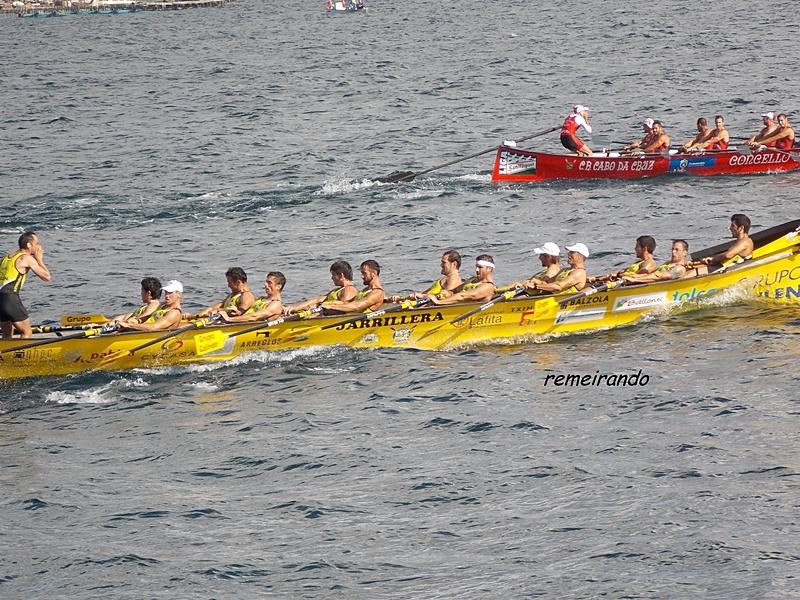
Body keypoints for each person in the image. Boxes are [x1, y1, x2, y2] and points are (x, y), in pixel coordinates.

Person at [0, 231, 52, 339]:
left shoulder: (6, 258)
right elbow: (47, 277)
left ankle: (6, 350)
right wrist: (39, 260)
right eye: (37, 243)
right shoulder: (26, 258)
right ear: (29, 245)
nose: (39, 247)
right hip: (10, 298)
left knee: (7, 334)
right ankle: (23, 351)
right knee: (26, 332)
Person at [388, 250, 463, 303]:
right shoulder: (445, 278)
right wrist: (402, 298)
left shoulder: (453, 278)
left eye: (444, 262)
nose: (441, 265)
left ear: (454, 264)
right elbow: (425, 293)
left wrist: (421, 296)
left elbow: (446, 297)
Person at [285, 260, 358, 314]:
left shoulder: (349, 290)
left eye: (333, 275)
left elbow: (345, 307)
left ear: (341, 275)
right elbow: (317, 300)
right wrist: (294, 308)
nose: (331, 278)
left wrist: (316, 312)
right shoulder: (337, 290)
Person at [187, 267, 255, 320]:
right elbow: (212, 308)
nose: (228, 285)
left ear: (238, 282)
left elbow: (238, 313)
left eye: (229, 282)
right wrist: (193, 316)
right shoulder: (232, 295)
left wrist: (218, 311)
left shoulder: (247, 296)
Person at [118, 280, 183, 332]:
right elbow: (146, 315)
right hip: (139, 330)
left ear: (179, 294)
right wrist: (136, 320)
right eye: (166, 292)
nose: (166, 295)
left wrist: (129, 325)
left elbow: (154, 327)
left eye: (170, 292)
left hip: (151, 336)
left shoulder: (174, 313)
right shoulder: (162, 305)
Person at [429, 255, 497, 304]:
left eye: (480, 267)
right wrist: (447, 293)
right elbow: (454, 291)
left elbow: (464, 296)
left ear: (489, 269)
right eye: (476, 267)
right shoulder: (471, 280)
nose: (476, 270)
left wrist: (439, 302)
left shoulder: (488, 286)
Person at [220, 272, 286, 323]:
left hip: (248, 327)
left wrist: (229, 319)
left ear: (279, 286)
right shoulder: (261, 298)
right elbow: (247, 312)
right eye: (266, 282)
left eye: (269, 283)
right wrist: (237, 311)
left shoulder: (276, 304)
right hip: (239, 323)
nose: (265, 285)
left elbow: (254, 317)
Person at [590, 236, 657, 283]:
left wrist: (619, 276)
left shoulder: (649, 263)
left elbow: (641, 276)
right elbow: (619, 274)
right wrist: (596, 279)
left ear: (645, 249)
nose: (635, 248)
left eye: (637, 246)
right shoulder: (639, 262)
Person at [623, 240, 691, 283]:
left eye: (677, 250)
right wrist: (632, 276)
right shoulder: (667, 264)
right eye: (672, 249)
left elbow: (659, 276)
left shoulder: (680, 268)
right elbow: (650, 274)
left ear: (684, 253)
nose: (673, 252)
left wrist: (635, 279)